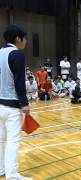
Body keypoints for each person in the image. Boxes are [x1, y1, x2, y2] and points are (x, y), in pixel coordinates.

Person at [0, 25, 33, 180]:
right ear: (18, 38)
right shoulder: (17, 54)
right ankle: (12, 175)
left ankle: (1, 170)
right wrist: (24, 103)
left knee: (0, 140)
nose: (25, 41)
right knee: (13, 140)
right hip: (12, 106)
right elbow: (19, 81)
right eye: (24, 38)